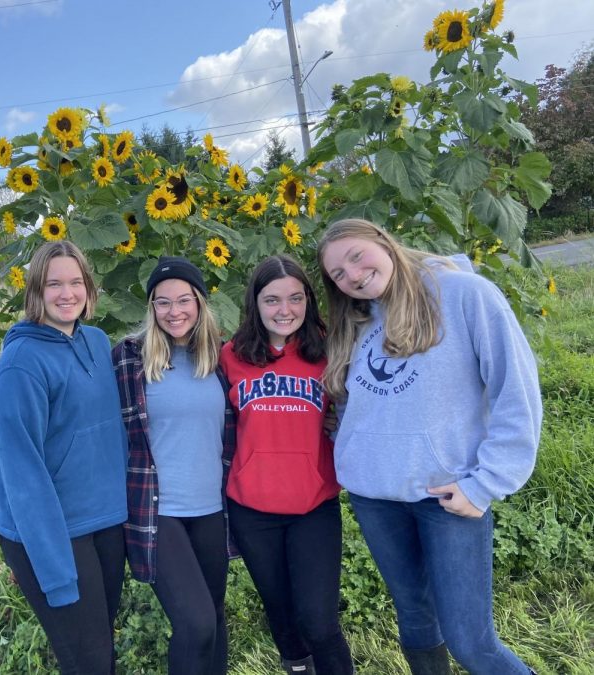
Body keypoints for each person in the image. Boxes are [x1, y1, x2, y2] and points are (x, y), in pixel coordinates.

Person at [317, 218, 542, 675]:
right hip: (376, 498)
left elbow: (515, 392)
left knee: (471, 642)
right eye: (338, 274)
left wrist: (485, 484)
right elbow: (351, 405)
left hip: (448, 497)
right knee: (416, 620)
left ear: (384, 240)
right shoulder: (355, 322)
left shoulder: (464, 295)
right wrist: (350, 448)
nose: (352, 275)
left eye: (356, 256)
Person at [0, 241, 128, 675]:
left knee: (102, 645)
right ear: (35, 292)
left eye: (75, 282)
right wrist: (57, 573)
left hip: (103, 521)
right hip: (52, 531)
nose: (67, 294)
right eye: (54, 284)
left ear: (89, 287)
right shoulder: (20, 366)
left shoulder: (97, 341)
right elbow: (22, 476)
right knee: (87, 659)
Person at [219, 255, 354, 675]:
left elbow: (361, 409)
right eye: (272, 299)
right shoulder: (231, 356)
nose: (285, 310)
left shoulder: (330, 349)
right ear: (255, 304)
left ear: (308, 301)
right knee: (279, 611)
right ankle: (298, 668)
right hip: (252, 509)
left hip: (313, 506)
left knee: (319, 620)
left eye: (296, 298)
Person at [112, 256, 235, 675]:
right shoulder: (128, 359)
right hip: (158, 512)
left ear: (200, 303)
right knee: (196, 623)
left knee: (215, 618)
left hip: (212, 509)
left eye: (184, 300)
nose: (174, 311)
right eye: (162, 302)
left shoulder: (222, 358)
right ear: (151, 308)